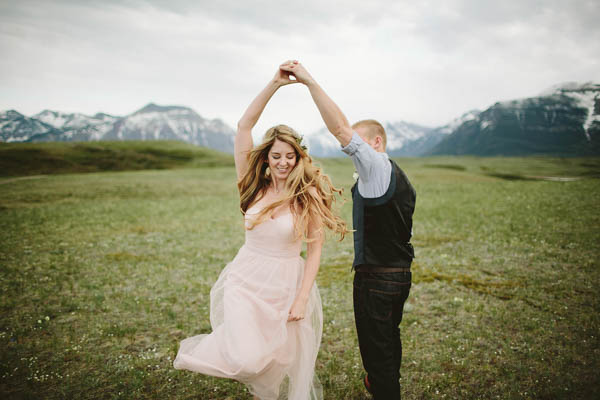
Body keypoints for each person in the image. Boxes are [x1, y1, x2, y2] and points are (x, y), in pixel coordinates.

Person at [173, 62, 348, 400]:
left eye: (289, 157)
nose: (283, 162)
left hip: (284, 285)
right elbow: (244, 126)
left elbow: (314, 251)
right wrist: (274, 84)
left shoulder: (305, 196)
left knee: (275, 361)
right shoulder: (251, 187)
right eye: (276, 156)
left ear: (298, 159)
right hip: (245, 278)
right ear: (266, 158)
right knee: (248, 358)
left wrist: (300, 298)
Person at [279, 61, 416, 399]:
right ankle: (382, 387)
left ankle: (384, 391)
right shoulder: (399, 178)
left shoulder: (376, 166)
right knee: (388, 345)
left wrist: (309, 82)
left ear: (377, 142)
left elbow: (340, 128)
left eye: (360, 143)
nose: (354, 151)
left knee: (378, 355)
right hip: (399, 275)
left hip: (377, 280)